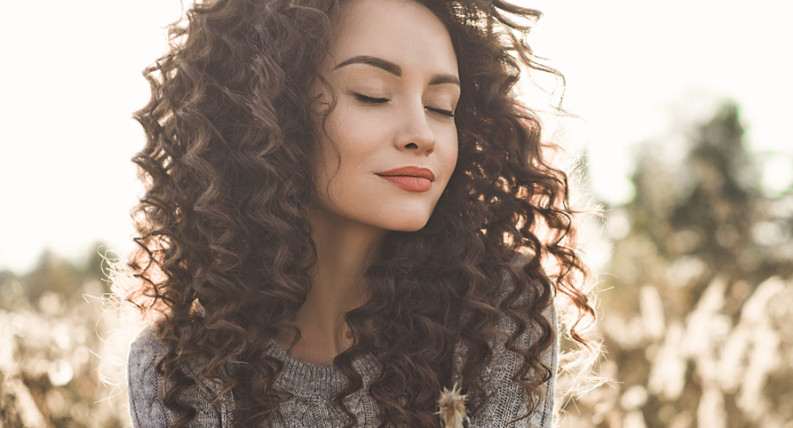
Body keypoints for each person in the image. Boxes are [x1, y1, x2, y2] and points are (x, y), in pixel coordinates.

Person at [122, 0, 595, 426]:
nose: (421, 133)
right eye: (372, 95)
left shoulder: (496, 313)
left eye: (441, 106)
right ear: (269, 116)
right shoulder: (181, 368)